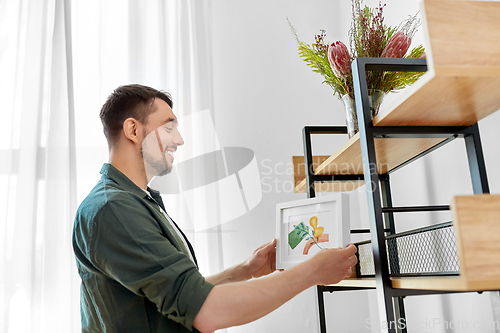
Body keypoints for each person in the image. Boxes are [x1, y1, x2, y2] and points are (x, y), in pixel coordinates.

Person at [72, 84, 358, 333]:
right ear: (134, 130)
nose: (179, 139)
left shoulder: (134, 201)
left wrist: (244, 271)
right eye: (169, 127)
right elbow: (206, 312)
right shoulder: (113, 209)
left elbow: (179, 295)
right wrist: (311, 272)